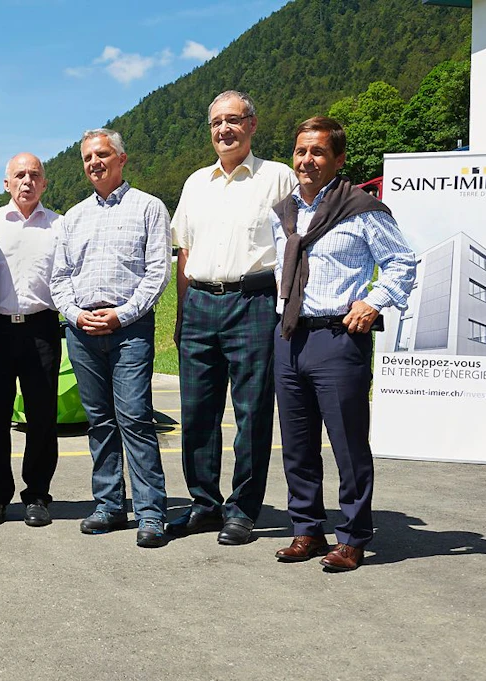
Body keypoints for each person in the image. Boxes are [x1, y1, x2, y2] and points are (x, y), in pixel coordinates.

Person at [272, 116, 416, 571]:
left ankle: (352, 537)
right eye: (301, 151)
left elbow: (402, 262)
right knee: (297, 444)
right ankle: (307, 530)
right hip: (289, 336)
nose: (307, 160)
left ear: (338, 159)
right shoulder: (285, 211)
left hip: (337, 337)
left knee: (348, 445)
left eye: (317, 152)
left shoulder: (362, 208)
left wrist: (373, 302)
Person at [169, 91, 297, 545]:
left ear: (252, 125)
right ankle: (204, 504)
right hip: (200, 303)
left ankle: (243, 509)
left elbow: (296, 245)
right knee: (197, 413)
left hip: (254, 301)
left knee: (252, 413)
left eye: (233, 120)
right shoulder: (195, 183)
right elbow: (184, 252)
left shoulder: (277, 178)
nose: (224, 129)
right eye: (216, 123)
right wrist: (181, 315)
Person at [49, 128, 171, 548]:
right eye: (88, 157)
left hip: (129, 329)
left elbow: (158, 272)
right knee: (99, 421)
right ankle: (109, 505)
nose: (94, 163)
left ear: (122, 159)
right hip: (82, 331)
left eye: (102, 154)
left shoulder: (149, 208)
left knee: (135, 418)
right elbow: (60, 278)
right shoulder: (73, 217)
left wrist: (122, 315)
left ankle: (151, 512)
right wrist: (75, 314)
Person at [0, 153, 61, 528]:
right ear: (6, 183)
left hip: (42, 328)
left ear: (44, 183)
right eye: (20, 175)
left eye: (35, 175)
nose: (27, 181)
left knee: (42, 416)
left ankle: (38, 495)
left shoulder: (60, 225)